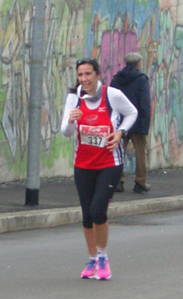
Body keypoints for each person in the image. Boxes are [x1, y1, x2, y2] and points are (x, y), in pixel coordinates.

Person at [61, 58, 137, 280]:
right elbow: (64, 132)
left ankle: (103, 256)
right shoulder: (74, 98)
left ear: (97, 75)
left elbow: (132, 112)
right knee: (87, 215)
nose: (84, 79)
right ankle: (92, 258)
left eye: (88, 74)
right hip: (83, 163)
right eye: (80, 75)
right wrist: (71, 121)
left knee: (98, 210)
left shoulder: (111, 95)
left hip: (109, 163)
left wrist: (121, 131)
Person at [110, 52, 151, 193]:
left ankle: (118, 182)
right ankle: (140, 182)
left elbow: (111, 100)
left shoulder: (116, 79)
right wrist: (145, 123)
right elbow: (144, 103)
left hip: (120, 122)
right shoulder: (141, 79)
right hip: (138, 121)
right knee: (140, 153)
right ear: (138, 63)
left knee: (118, 152)